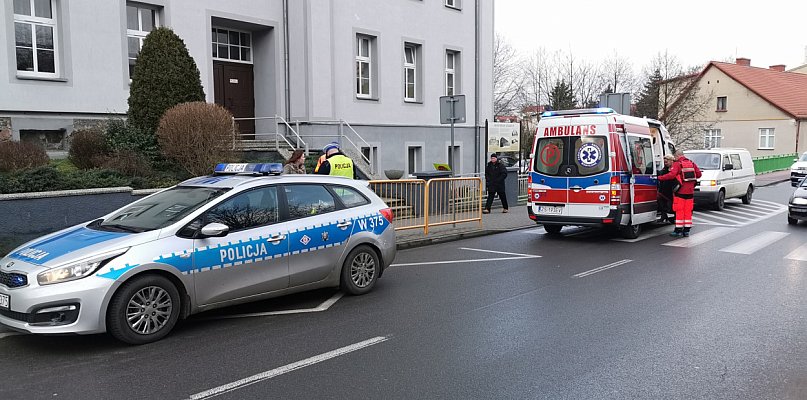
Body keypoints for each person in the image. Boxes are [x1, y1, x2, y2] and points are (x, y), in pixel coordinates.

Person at [658, 150, 702, 237]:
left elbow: (671, 175)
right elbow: (699, 174)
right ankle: (686, 231)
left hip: (680, 191)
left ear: (677, 156)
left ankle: (678, 230)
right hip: (690, 192)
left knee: (679, 211)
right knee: (688, 211)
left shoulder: (678, 164)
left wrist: (660, 177)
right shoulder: (691, 163)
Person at [656, 155, 676, 223]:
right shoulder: (665, 169)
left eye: (666, 162)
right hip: (663, 189)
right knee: (661, 202)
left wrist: (660, 177)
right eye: (665, 162)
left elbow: (671, 176)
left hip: (672, 189)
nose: (665, 163)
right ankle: (664, 216)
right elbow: (661, 174)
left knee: (673, 204)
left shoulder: (675, 168)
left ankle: (675, 217)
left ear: (671, 161)